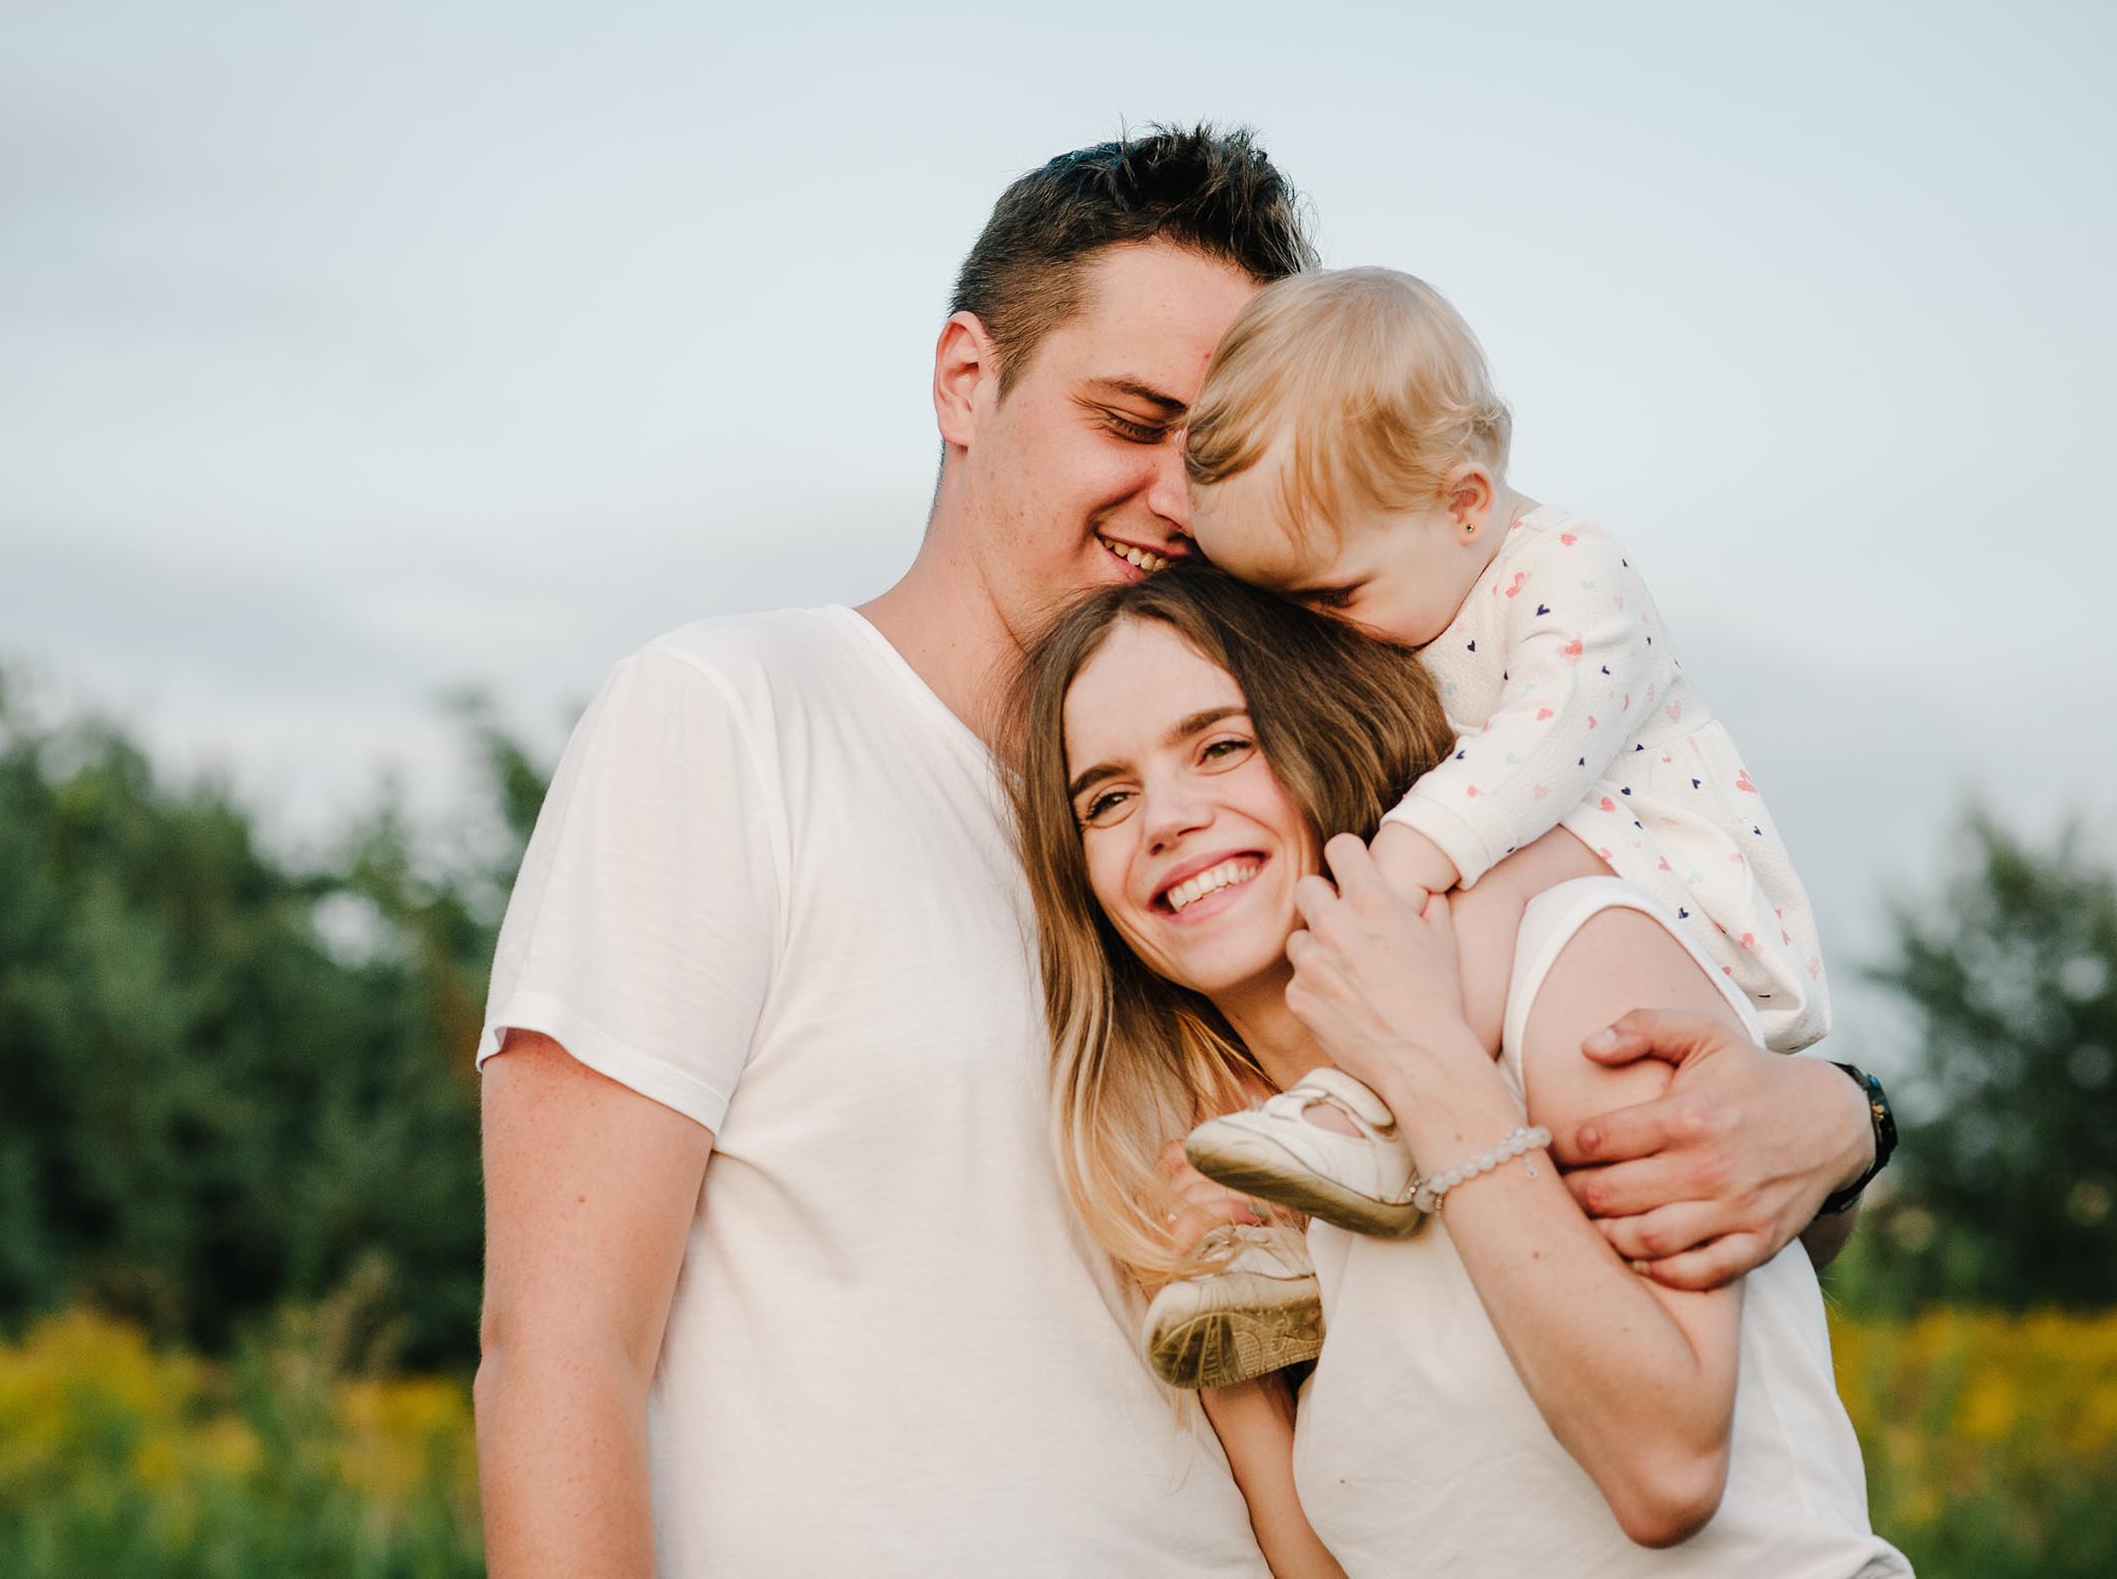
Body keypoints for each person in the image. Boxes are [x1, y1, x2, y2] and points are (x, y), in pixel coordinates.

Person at [471, 126, 1884, 1577]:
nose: (1181, 499)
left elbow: (1556, 1194)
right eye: (1132, 421)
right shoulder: (733, 719)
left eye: (1217, 456)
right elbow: (561, 1350)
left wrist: (1836, 1121)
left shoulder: (1280, 851)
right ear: (968, 381)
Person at [1010, 563, 1909, 1577]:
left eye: (1221, 746)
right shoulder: (1264, 1170)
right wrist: (1229, 1352)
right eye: (1108, 798)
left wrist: (1421, 1060)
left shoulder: (1573, 958)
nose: (1164, 818)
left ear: (1326, 734)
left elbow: (1666, 1469)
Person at [1178, 266, 1836, 1236]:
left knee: (1492, 863)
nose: (1322, 636)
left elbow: (1546, 742)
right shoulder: (1416, 583)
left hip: (1680, 899)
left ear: (1464, 504)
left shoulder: (1571, 570)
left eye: (1332, 599)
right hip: (1560, 917)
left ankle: (1372, 1104)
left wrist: (1409, 852)